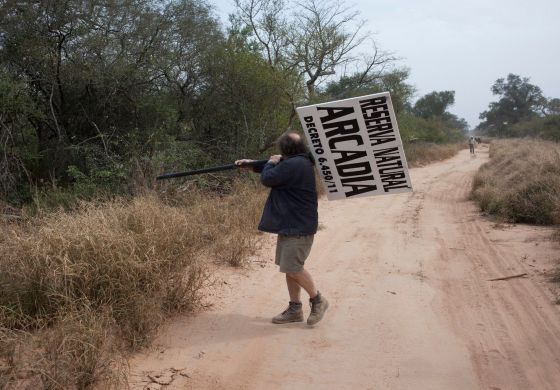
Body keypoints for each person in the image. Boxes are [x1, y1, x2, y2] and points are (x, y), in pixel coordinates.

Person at [235, 132, 329, 326]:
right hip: (291, 225)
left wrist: (270, 162)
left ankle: (318, 300)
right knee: (289, 268)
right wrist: (251, 163)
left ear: (284, 149)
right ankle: (295, 309)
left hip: (298, 227)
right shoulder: (298, 162)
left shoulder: (295, 164)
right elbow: (277, 168)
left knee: (294, 268)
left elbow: (269, 177)